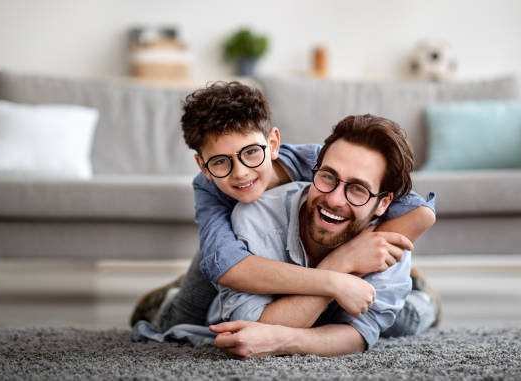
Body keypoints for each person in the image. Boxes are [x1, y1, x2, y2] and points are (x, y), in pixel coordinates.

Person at [130, 82, 436, 336]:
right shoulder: (209, 187)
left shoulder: (321, 162)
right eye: (221, 162)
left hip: (314, 246)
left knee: (394, 323)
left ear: (273, 143)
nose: (240, 173)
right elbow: (230, 267)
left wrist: (368, 254)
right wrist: (339, 268)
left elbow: (421, 213)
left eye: (251, 153)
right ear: (203, 166)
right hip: (232, 250)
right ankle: (167, 296)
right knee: (182, 322)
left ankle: (422, 294)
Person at [208, 114, 432, 358]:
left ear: (383, 203)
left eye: (358, 189)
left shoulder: (385, 240)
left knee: (406, 321)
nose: (334, 200)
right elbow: (249, 323)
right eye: (327, 176)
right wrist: (340, 264)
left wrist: (284, 340)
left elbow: (359, 334)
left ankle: (426, 296)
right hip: (239, 277)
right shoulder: (256, 215)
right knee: (185, 310)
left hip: (380, 303)